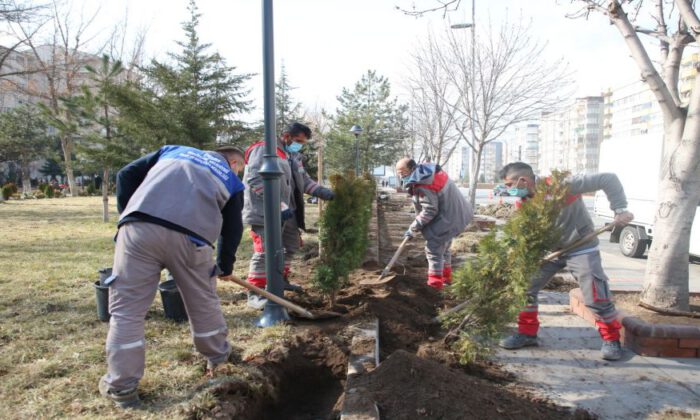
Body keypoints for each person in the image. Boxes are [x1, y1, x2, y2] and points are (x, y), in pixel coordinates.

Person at [99, 145, 246, 408]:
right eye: (241, 168)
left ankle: (122, 388)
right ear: (234, 162)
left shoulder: (171, 150)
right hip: (192, 240)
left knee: (127, 311)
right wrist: (225, 265)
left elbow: (125, 174)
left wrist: (129, 215)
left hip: (138, 231)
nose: (240, 172)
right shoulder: (231, 179)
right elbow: (233, 227)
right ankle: (218, 359)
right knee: (202, 302)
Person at [497, 162, 634, 361]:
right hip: (551, 252)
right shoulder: (524, 201)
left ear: (523, 180)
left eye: (510, 184)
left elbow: (608, 179)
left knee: (595, 295)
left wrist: (620, 209)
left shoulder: (562, 185)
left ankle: (611, 339)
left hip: (581, 247)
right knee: (524, 285)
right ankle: (527, 334)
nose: (509, 189)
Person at [242, 122, 335, 309]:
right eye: (298, 140)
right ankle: (255, 291)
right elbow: (255, 178)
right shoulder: (264, 150)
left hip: (288, 212)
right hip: (265, 212)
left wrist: (325, 192)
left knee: (291, 245)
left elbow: (304, 181)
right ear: (286, 135)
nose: (299, 145)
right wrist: (277, 204)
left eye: (303, 143)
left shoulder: (293, 155)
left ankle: (279, 280)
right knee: (265, 251)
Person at [395, 158, 473, 290]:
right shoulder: (428, 173)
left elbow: (430, 210)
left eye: (403, 171)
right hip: (459, 213)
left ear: (413, 169)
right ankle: (446, 278)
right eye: (398, 172)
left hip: (448, 217)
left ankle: (435, 285)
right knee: (444, 247)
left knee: (433, 249)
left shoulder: (424, 184)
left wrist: (413, 227)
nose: (400, 175)